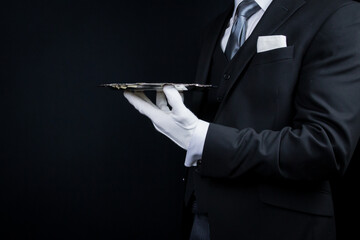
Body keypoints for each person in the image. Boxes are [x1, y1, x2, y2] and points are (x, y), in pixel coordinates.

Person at [123, 0, 360, 239]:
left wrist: (201, 138)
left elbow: (326, 147)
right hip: (199, 221)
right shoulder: (214, 28)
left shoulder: (336, 13)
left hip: (280, 228)